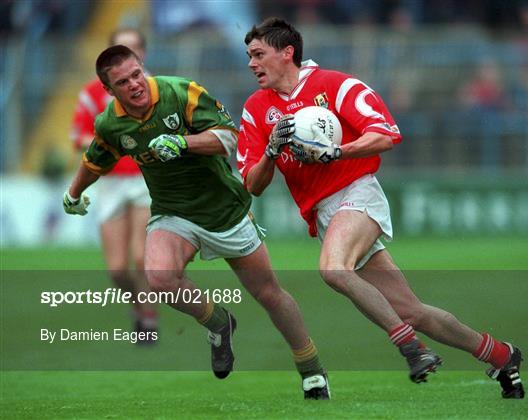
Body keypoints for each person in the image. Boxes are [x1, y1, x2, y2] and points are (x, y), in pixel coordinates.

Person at [237, 17, 525, 399]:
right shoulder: (256, 109)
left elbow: (386, 134)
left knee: (332, 269)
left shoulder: (336, 85)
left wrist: (338, 151)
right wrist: (271, 152)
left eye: (259, 54)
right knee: (412, 310)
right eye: (248, 56)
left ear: (287, 53)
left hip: (358, 194)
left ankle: (410, 348)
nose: (252, 63)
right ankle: (502, 355)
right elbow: (252, 183)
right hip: (325, 214)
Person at [62, 45, 330, 399]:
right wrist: (73, 194)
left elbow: (228, 138)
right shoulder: (111, 123)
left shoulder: (180, 93)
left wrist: (182, 142)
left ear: (144, 68)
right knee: (158, 278)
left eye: (136, 74)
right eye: (123, 82)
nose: (134, 85)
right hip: (173, 214)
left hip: (225, 211)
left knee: (268, 293)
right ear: (110, 91)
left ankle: (311, 370)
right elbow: (95, 160)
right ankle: (219, 322)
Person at [70, 28, 157, 344]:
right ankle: (139, 307)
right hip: (110, 184)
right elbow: (76, 137)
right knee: (118, 270)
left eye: (133, 48)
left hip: (145, 180)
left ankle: (148, 319)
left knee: (140, 257)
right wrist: (108, 142)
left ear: (142, 54)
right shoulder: (93, 94)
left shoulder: (159, 90)